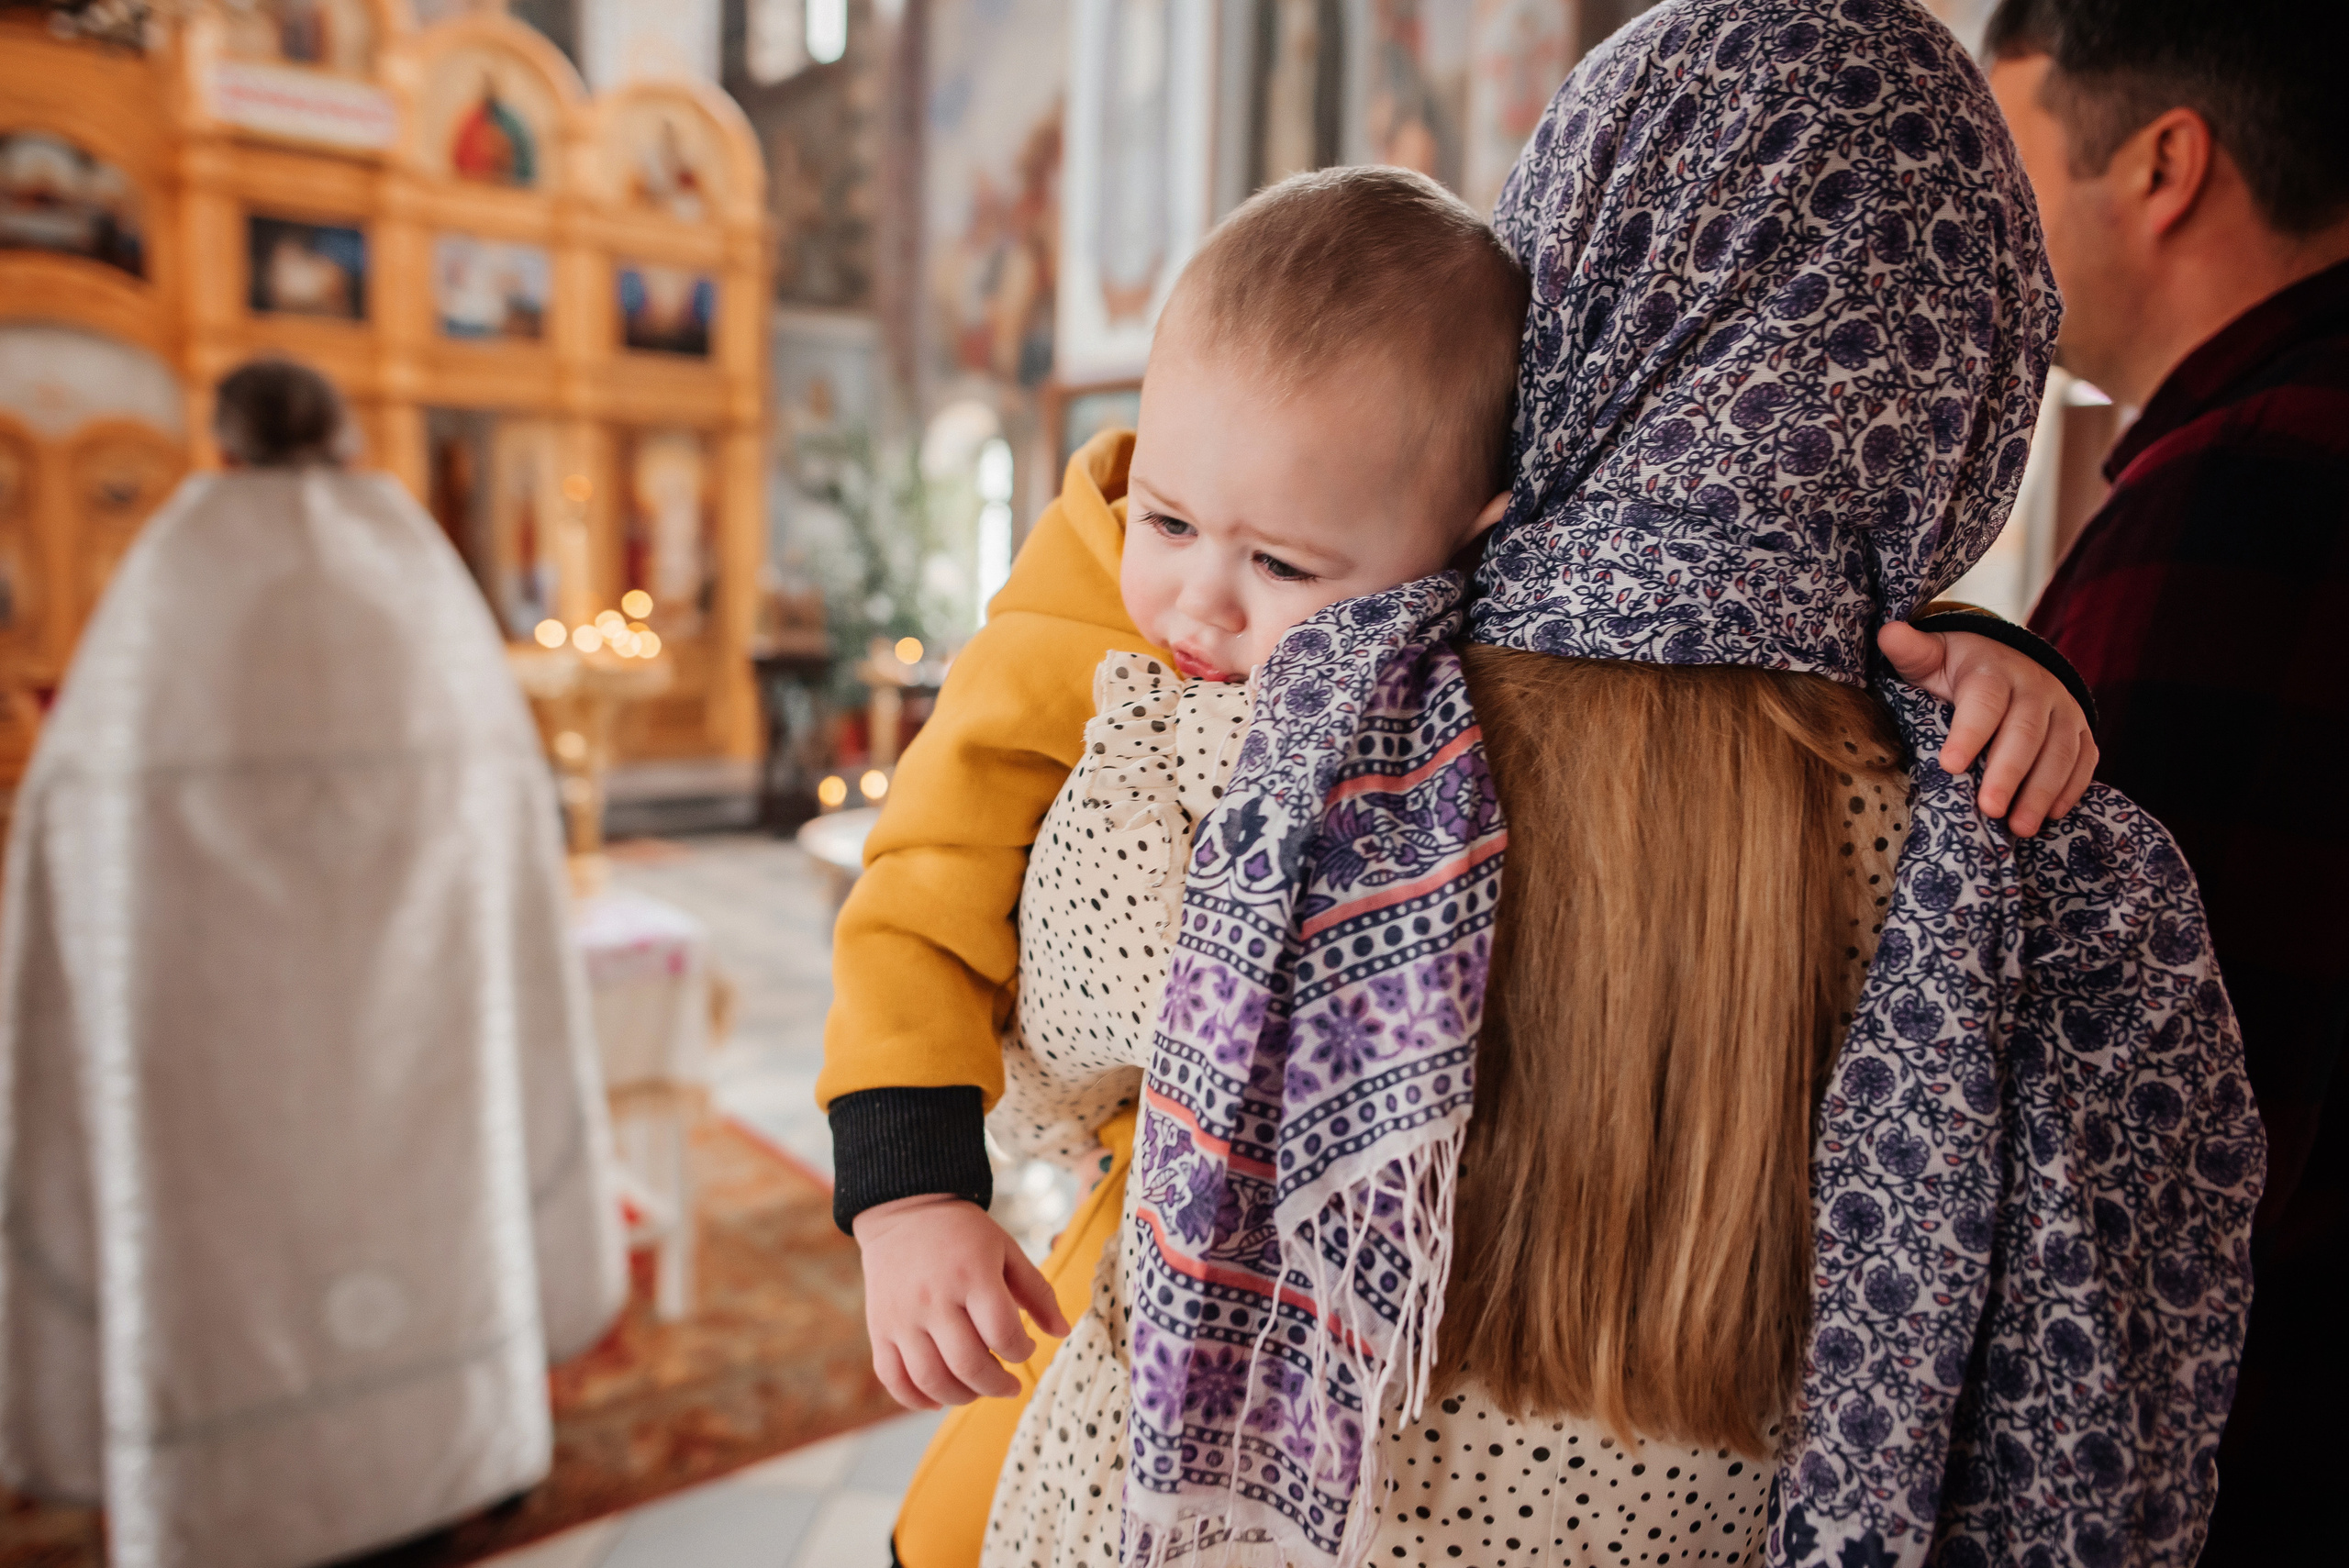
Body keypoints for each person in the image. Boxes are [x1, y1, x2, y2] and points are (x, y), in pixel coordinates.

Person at [829, 122, 2102, 1568]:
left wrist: (1996, 657)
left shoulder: (1483, 628)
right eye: (1170, 518)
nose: (1195, 605)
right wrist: (909, 1186)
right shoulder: (1088, 583)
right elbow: (925, 875)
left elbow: (1755, 619)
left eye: (1282, 565)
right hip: (1132, 1202)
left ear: (1483, 534)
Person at [1105, 3, 2255, 1565]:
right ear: (1970, 363)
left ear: (1561, 299)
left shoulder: (1288, 731)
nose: (1204, 587)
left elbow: (1062, 1041)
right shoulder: (2045, 854)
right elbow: (2092, 1437)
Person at [0, 359, 626, 1568]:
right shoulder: (412, 579)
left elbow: (72, 834)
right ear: (343, 438)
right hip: (421, 1031)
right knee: (436, 1217)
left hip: (215, 1042)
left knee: (223, 1262)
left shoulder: (166, 591)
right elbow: (506, 818)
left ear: (222, 443)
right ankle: (447, 1462)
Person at [1980, 4, 2349, 1560]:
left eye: (2003, 171)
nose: (1973, 229)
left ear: (2166, 165)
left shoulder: (2237, 508)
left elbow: (2108, 1109)